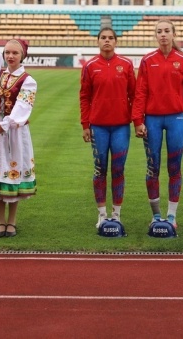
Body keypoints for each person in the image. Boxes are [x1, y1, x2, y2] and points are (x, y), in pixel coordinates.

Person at [132, 20, 183, 229]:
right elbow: (140, 91)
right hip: (152, 119)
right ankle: (156, 214)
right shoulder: (147, 60)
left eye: (166, 31)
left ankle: (171, 215)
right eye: (159, 31)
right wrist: (138, 120)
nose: (163, 35)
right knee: (153, 167)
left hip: (176, 119)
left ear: (173, 34)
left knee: (174, 167)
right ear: (155, 35)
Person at [0, 39, 37, 237]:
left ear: (22, 56)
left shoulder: (28, 80)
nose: (10, 56)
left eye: (15, 53)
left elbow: (23, 107)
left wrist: (3, 125)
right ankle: (0, 221)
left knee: (13, 172)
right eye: (7, 52)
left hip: (14, 131)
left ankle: (11, 221)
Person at [79, 28, 136, 228]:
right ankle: (102, 214)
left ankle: (117, 214)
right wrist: (85, 125)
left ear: (116, 42)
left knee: (118, 169)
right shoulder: (90, 66)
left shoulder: (126, 64)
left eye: (110, 38)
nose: (107, 41)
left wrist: (137, 121)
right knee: (100, 169)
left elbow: (134, 95)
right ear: (98, 41)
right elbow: (84, 97)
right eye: (103, 38)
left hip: (121, 126)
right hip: (98, 127)